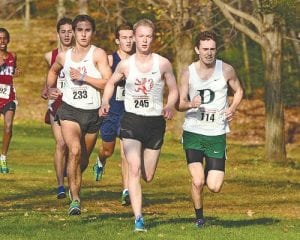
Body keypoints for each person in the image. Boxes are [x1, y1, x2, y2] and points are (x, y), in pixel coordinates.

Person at [100, 19, 178, 232]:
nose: (144, 40)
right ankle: (139, 218)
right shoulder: (126, 65)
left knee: (148, 175)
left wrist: (170, 105)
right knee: (133, 169)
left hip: (154, 123)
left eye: (148, 36)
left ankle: (137, 190)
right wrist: (105, 101)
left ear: (153, 38)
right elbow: (110, 83)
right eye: (140, 36)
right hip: (131, 120)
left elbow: (173, 89)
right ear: (134, 38)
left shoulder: (163, 63)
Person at [176, 31, 243, 227]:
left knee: (214, 186)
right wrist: (190, 104)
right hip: (193, 132)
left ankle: (207, 169)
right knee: (198, 181)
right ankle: (199, 218)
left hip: (216, 134)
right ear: (197, 50)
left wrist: (232, 108)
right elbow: (179, 104)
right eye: (205, 49)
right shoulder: (187, 73)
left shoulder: (226, 70)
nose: (209, 53)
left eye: (212, 49)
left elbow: (238, 90)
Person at [46, 14, 111, 215]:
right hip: (69, 110)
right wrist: (50, 88)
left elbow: (108, 82)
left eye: (87, 30)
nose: (83, 34)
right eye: (80, 30)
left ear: (92, 32)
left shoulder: (98, 54)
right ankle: (75, 200)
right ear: (73, 32)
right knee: (73, 150)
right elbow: (53, 71)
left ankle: (72, 177)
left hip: (92, 113)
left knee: (81, 160)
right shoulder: (63, 57)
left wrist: (84, 77)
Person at [93, 22, 134, 206]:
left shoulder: (138, 61)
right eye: (124, 37)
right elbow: (103, 82)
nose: (128, 41)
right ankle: (100, 161)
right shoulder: (110, 60)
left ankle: (126, 190)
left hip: (130, 114)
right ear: (117, 40)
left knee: (127, 153)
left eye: (131, 37)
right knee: (108, 150)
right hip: (112, 112)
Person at [41, 17, 73, 199]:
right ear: (58, 33)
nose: (67, 35)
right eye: (64, 31)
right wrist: (46, 90)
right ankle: (61, 185)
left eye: (70, 31)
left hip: (76, 104)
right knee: (61, 143)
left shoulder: (80, 55)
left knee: (73, 146)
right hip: (56, 104)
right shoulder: (49, 56)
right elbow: (48, 81)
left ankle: (72, 180)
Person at [0, 28, 18, 174]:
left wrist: (16, 72)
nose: (2, 41)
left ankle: (3, 158)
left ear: (8, 40)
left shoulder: (13, 56)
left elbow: (13, 70)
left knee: (8, 126)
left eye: (5, 38)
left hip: (8, 97)